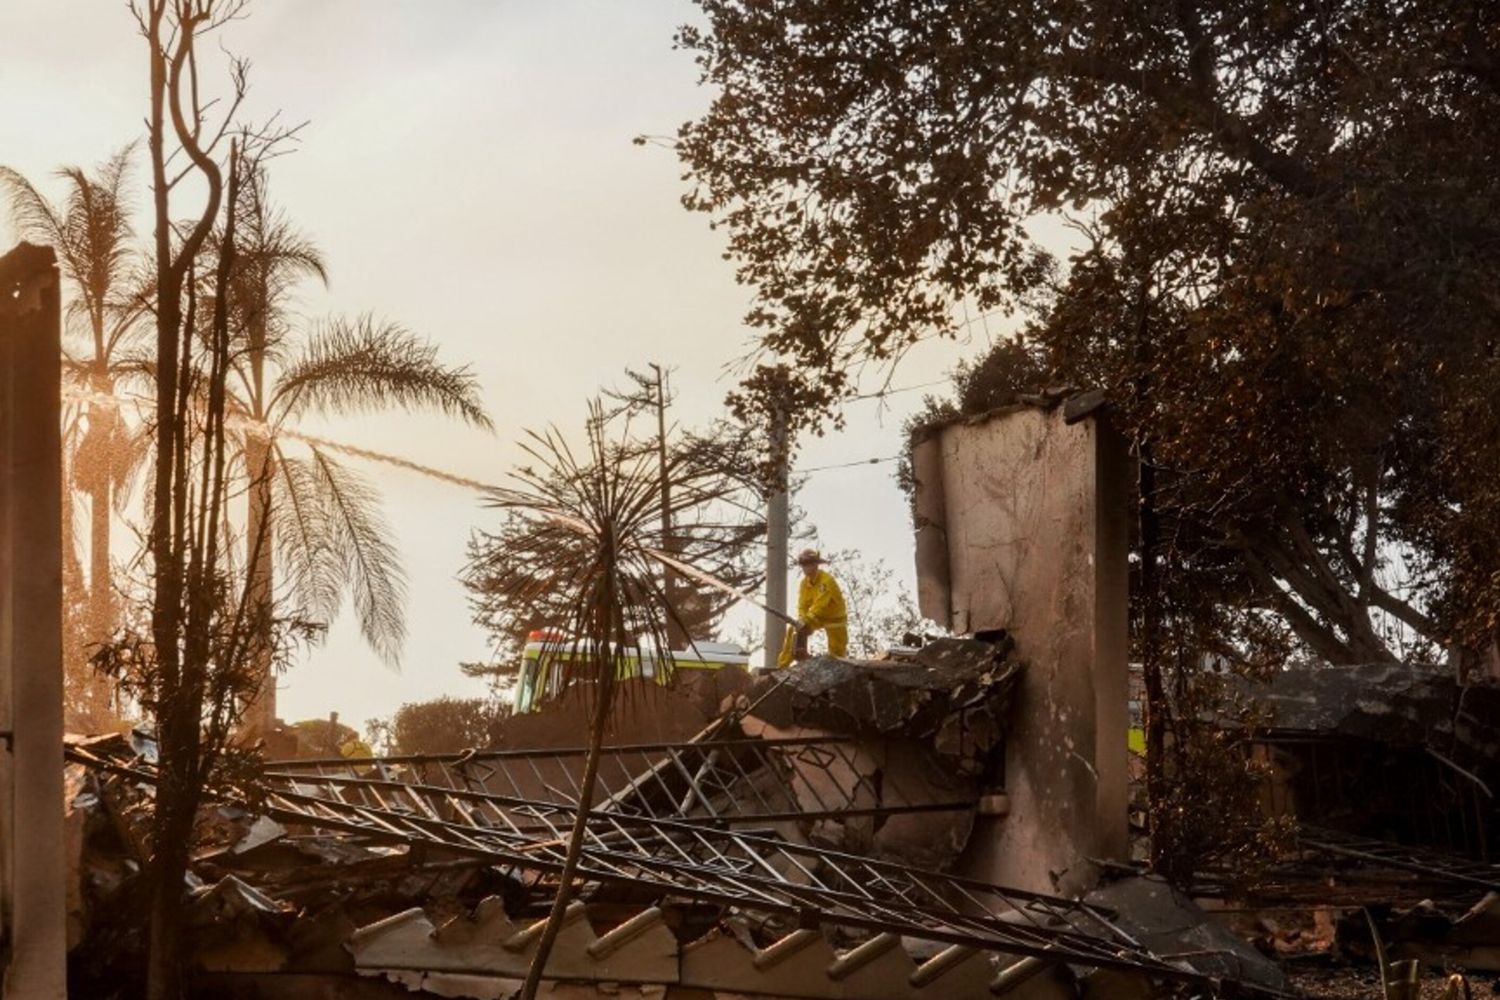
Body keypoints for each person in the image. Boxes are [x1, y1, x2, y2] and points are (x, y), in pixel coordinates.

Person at [777, 549, 848, 667]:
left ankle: (838, 672)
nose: (805, 567)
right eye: (803, 564)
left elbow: (820, 606)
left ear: (816, 564)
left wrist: (805, 620)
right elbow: (802, 605)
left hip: (836, 619)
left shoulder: (827, 581)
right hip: (816, 617)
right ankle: (782, 666)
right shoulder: (804, 584)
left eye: (808, 563)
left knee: (837, 653)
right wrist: (801, 620)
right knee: (794, 629)